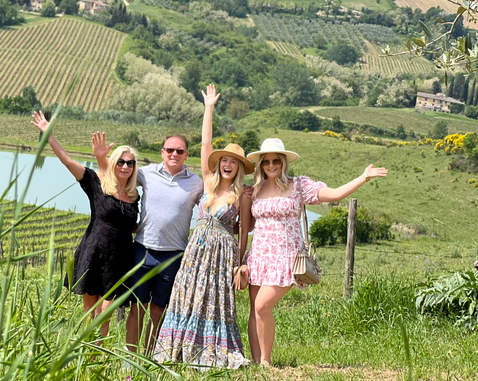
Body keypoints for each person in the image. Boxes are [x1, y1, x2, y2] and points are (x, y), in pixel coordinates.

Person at [245, 137, 388, 366]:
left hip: (285, 258)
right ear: (261, 164)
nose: (271, 165)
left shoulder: (298, 185)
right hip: (258, 256)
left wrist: (363, 177)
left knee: (263, 306)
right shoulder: (255, 189)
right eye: (266, 162)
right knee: (254, 310)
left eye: (276, 161)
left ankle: (266, 362)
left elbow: (335, 194)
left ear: (284, 162)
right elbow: (246, 223)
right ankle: (255, 361)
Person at [153, 84, 252, 368]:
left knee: (214, 301)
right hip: (196, 252)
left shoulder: (242, 196)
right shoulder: (207, 181)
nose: (228, 165)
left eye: (233, 162)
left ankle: (211, 349)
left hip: (222, 255)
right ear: (219, 163)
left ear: (239, 168)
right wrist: (208, 107)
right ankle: (179, 346)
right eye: (225, 160)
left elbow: (244, 232)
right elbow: (206, 144)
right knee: (186, 295)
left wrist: (240, 263)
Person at [94, 131, 204, 354]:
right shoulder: (146, 173)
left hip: (174, 256)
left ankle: (152, 355)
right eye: (170, 150)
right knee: (137, 308)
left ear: (186, 155)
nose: (174, 154)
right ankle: (131, 357)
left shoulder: (196, 183)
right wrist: (100, 157)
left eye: (179, 151)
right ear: (162, 152)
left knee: (159, 310)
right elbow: (119, 171)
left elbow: (216, 198)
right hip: (142, 251)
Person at [31, 111, 139, 338]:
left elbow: (131, 225)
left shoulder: (133, 195)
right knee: (90, 312)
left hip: (119, 259)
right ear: (114, 162)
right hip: (93, 251)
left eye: (130, 163)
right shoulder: (95, 181)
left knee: (106, 310)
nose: (125, 166)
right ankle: (89, 355)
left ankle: (97, 351)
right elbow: (67, 160)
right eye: (120, 161)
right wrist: (49, 134)